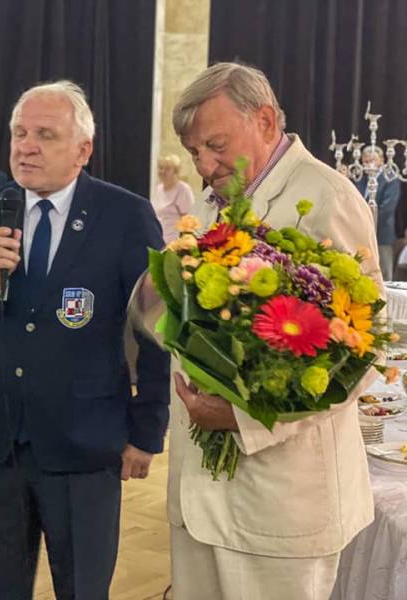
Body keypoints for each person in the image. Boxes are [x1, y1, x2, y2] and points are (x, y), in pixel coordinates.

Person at [130, 62, 380, 600]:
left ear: (265, 120)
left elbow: (359, 355)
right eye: (194, 152)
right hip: (200, 502)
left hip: (280, 506)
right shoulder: (210, 202)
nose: (204, 165)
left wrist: (243, 418)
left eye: (215, 145)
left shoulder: (326, 196)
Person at [0, 81, 170, 599]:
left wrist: (147, 431)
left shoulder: (125, 216)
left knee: (82, 588)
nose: (26, 147)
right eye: (19, 133)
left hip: (85, 446)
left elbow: (154, 331)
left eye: (45, 135)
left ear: (83, 150)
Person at [354, 146, 401, 280]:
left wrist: (368, 222)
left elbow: (387, 208)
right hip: (361, 232)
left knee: (384, 272)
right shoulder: (360, 178)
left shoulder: (390, 178)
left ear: (382, 160)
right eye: (366, 161)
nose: (369, 165)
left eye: (373, 161)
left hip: (382, 233)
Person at [150, 153, 194, 243]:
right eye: (161, 168)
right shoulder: (158, 189)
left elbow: (189, 219)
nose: (163, 171)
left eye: (167, 168)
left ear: (175, 171)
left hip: (175, 242)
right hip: (158, 239)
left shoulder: (183, 189)